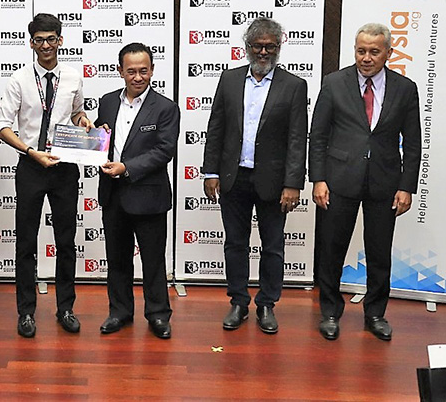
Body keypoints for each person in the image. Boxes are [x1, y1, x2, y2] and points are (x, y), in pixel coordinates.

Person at [309, 23, 421, 341]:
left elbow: (412, 143)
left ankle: (375, 313)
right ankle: (330, 311)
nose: (366, 58)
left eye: (374, 51)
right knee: (331, 249)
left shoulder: (405, 88)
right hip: (338, 180)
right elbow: (317, 136)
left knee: (379, 251)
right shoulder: (334, 83)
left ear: (389, 52)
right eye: (361, 51)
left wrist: (406, 186)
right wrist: (318, 178)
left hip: (385, 184)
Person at [201, 18, 308, 334]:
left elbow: (296, 138)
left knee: (272, 245)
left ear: (279, 47)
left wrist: (293, 183)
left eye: (270, 46)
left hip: (274, 183)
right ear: (246, 47)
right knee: (235, 243)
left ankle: (266, 304)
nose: (263, 52)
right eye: (257, 46)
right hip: (234, 178)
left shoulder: (294, 85)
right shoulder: (230, 79)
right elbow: (216, 128)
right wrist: (210, 172)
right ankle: (238, 301)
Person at [0, 13, 92, 338]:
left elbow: (76, 112)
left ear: (60, 41)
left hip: (64, 167)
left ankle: (66, 308)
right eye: (39, 40)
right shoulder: (19, 80)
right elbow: (2, 125)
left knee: (66, 242)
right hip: (32, 166)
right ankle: (26, 312)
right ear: (31, 42)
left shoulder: (74, 77)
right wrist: (29, 151)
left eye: (51, 39)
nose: (46, 45)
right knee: (25, 242)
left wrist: (84, 123)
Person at [95, 42, 179, 339]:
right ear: (120, 71)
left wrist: (126, 167)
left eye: (144, 70)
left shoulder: (166, 107)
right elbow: (99, 140)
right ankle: (119, 311)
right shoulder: (106, 102)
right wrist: (88, 138)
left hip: (149, 196)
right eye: (131, 71)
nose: (138, 77)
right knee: (117, 258)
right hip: (113, 195)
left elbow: (163, 151)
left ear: (152, 70)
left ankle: (158, 314)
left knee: (153, 260)